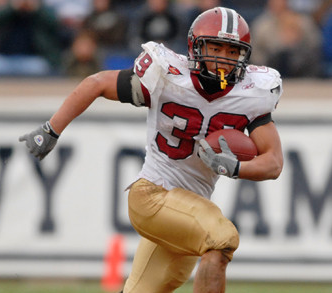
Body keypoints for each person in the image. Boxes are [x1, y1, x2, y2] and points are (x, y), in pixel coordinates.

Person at [19, 6, 283, 293]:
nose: (223, 59)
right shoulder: (168, 77)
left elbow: (273, 163)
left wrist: (235, 168)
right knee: (222, 238)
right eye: (215, 47)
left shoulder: (250, 95)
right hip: (152, 196)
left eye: (232, 51)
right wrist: (51, 129)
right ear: (195, 47)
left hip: (187, 213)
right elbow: (95, 83)